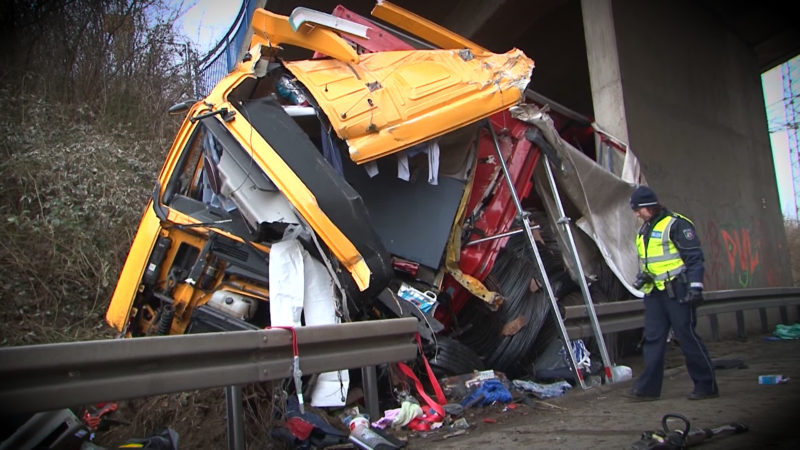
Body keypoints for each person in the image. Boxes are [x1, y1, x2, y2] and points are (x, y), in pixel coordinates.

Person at [624, 185, 718, 401]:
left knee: (686, 337)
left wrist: (695, 286)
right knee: (653, 339)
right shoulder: (644, 230)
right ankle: (647, 389)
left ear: (650, 206)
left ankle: (706, 385)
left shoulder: (677, 224)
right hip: (656, 293)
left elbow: (694, 258)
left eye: (638, 209)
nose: (636, 213)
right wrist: (645, 276)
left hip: (679, 290)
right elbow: (652, 261)